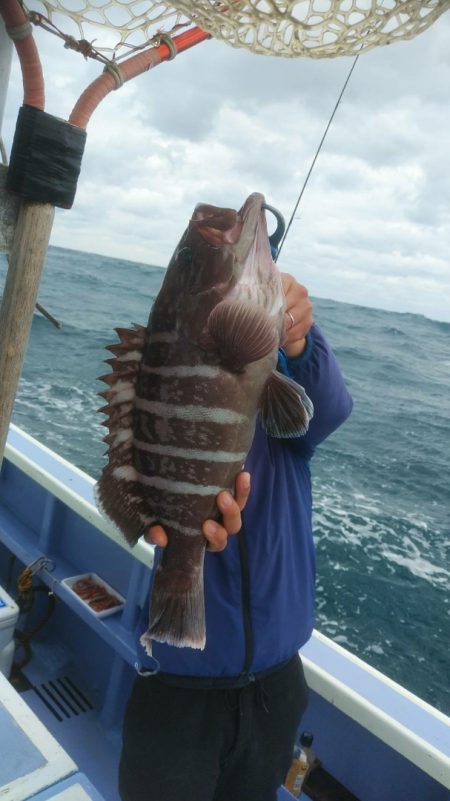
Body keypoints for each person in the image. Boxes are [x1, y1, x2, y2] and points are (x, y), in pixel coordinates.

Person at [119, 274, 353, 801]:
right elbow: (140, 455)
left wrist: (298, 342)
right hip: (177, 681)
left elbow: (331, 408)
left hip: (278, 684)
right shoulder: (175, 378)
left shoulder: (289, 421)